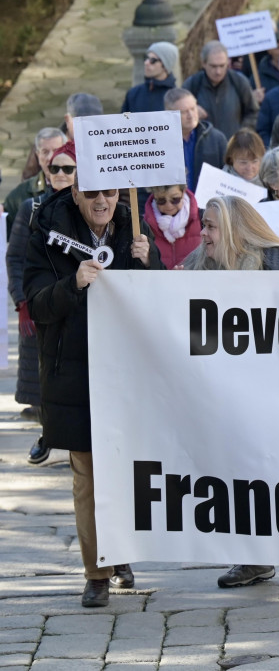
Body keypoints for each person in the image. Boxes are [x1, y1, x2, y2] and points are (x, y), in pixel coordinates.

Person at [24, 177, 162, 607]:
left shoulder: (135, 227)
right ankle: (96, 574)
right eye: (93, 194)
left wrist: (150, 260)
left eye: (111, 193)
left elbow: (157, 300)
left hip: (126, 370)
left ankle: (119, 554)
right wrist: (74, 283)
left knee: (124, 471)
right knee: (87, 475)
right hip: (74, 372)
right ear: (77, 195)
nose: (103, 201)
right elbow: (36, 304)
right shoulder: (46, 230)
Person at [181, 196, 279, 598]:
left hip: (277, 393)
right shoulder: (196, 265)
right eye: (202, 226)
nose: (202, 234)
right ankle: (254, 559)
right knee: (238, 475)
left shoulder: (277, 260)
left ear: (234, 230)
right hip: (226, 395)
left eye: (210, 226)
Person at [7, 140, 78, 462]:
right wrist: (22, 299)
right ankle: (48, 436)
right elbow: (16, 257)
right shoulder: (31, 208)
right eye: (55, 168)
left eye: (68, 168)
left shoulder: (87, 209)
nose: (60, 174)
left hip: (74, 303)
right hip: (41, 302)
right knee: (43, 377)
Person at [183, 41, 260, 137]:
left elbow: (253, 112)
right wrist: (191, 110)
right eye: (213, 66)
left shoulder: (239, 81)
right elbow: (177, 114)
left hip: (233, 145)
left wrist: (242, 133)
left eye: (222, 66)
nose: (218, 71)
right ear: (203, 63)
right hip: (203, 146)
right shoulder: (193, 84)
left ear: (228, 62)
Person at [4, 127, 65, 236]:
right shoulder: (22, 194)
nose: (50, 157)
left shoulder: (83, 189)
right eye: (45, 152)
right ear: (37, 155)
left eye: (56, 151)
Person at [165, 87, 226, 191]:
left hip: (209, 205)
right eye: (184, 112)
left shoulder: (216, 139)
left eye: (193, 108)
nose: (191, 115)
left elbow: (227, 177)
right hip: (172, 205)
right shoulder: (159, 142)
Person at [143, 183, 201, 270]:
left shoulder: (203, 219)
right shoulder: (143, 225)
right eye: (161, 200)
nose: (169, 205)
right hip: (159, 282)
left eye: (175, 199)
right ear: (154, 197)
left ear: (183, 191)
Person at [121, 41, 179, 113]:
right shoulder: (134, 94)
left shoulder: (177, 98)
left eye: (153, 60)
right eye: (146, 58)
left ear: (165, 65)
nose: (146, 63)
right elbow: (122, 122)